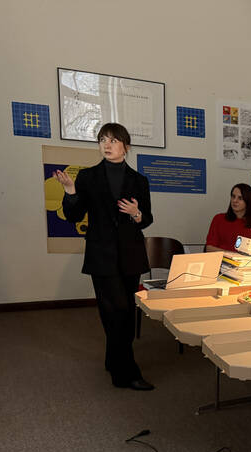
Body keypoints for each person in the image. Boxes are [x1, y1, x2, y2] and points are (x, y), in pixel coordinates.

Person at [55, 123, 155, 391]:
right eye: (102, 140)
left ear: (126, 146)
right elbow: (73, 216)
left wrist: (136, 213)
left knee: (124, 311)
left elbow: (147, 219)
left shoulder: (139, 180)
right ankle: (126, 372)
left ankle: (113, 360)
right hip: (101, 255)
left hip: (131, 255)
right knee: (116, 311)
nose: (107, 145)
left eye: (113, 140)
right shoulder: (87, 177)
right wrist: (70, 192)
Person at [205, 183, 251, 252]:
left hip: (245, 259)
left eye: (240, 198)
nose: (234, 201)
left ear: (248, 201)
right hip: (221, 258)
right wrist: (231, 254)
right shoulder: (219, 219)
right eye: (233, 196)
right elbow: (209, 248)